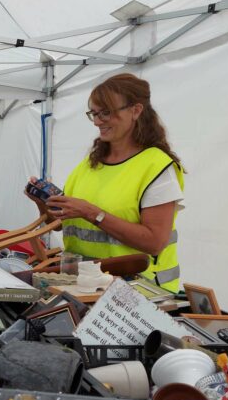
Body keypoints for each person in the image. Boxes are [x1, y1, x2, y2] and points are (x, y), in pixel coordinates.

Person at [28, 73, 184, 292]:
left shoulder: (156, 166)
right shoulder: (89, 165)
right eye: (94, 113)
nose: (98, 121)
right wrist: (43, 202)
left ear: (136, 111)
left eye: (106, 113)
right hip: (87, 287)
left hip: (139, 293)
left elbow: (154, 242)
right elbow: (64, 224)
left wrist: (92, 213)